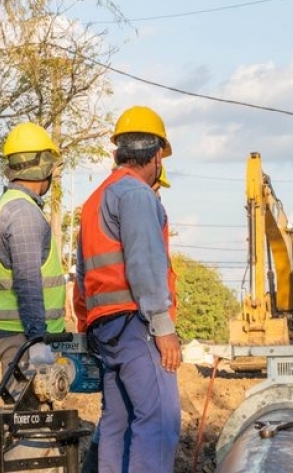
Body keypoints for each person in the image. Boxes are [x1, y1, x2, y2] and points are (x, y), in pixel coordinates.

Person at [76, 105, 180, 473]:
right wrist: (163, 328)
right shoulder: (135, 195)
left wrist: (85, 326)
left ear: (118, 151)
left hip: (106, 331)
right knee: (159, 421)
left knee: (117, 425)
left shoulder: (93, 201)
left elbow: (82, 276)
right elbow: (145, 264)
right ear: (155, 157)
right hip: (137, 327)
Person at [0, 122, 65, 374]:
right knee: (28, 414)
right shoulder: (24, 213)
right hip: (24, 341)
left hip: (19, 336)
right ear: (44, 165)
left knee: (28, 413)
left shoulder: (10, 205)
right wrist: (38, 341)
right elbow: (28, 281)